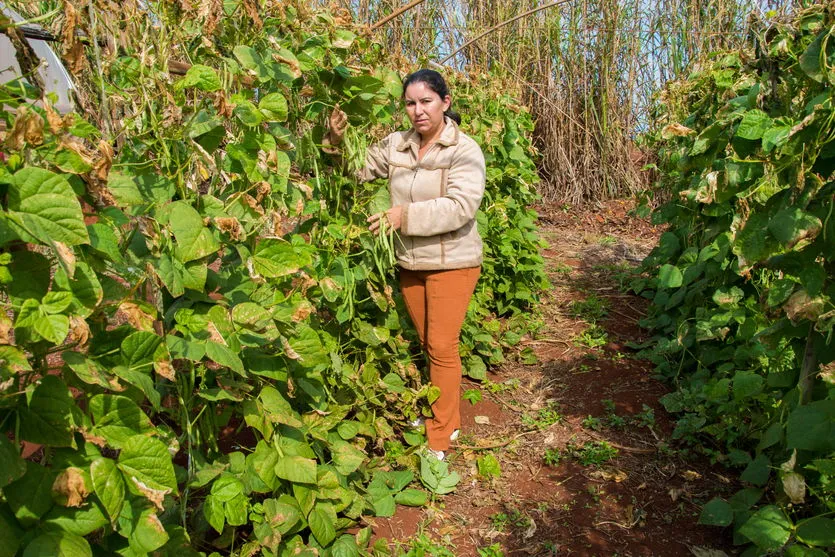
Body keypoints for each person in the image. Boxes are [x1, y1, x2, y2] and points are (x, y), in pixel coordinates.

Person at [325, 69, 486, 460]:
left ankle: (441, 436)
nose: (418, 111)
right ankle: (443, 416)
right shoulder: (396, 145)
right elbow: (356, 169)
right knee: (428, 344)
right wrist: (335, 139)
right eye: (410, 103)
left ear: (445, 102)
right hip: (410, 260)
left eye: (426, 101)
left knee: (442, 347)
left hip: (453, 262)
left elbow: (462, 206)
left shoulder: (464, 150)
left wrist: (403, 216)